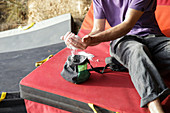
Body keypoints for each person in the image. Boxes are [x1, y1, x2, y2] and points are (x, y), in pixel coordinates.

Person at [60, 0, 170, 112]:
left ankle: (135, 65)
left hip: (153, 38)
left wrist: (91, 40)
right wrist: (82, 41)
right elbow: (97, 30)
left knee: (142, 56)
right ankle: (154, 106)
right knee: (137, 51)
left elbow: (127, 25)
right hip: (124, 40)